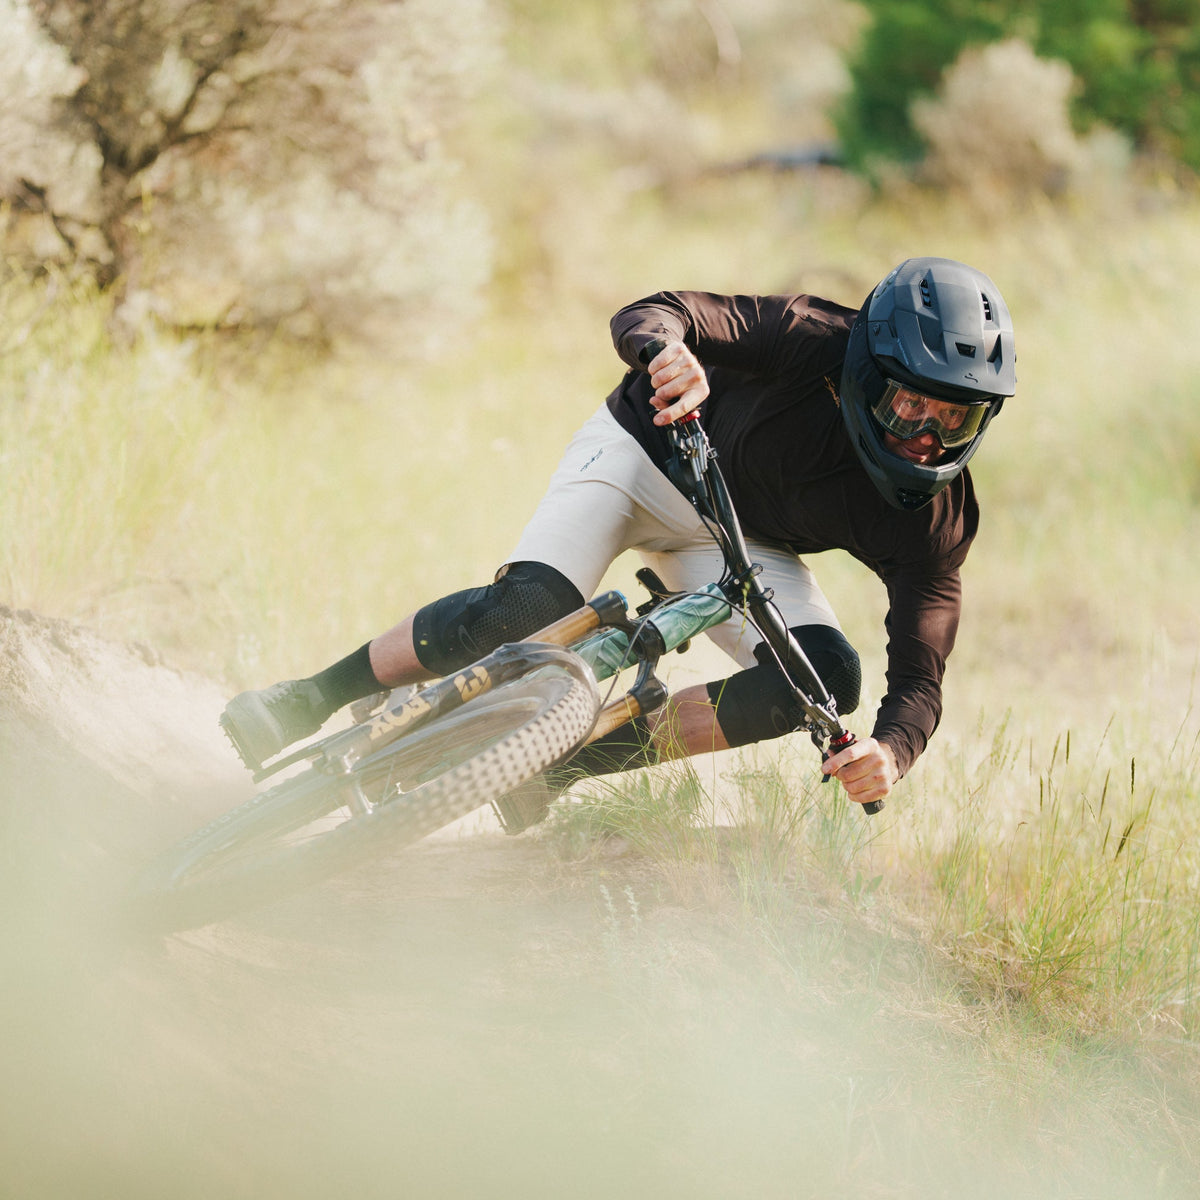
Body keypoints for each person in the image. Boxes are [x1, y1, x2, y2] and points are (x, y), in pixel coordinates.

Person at [220, 256, 1016, 830]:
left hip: (737, 541)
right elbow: (660, 308)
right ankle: (307, 700)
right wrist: (666, 355)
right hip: (645, 454)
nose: (928, 435)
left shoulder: (935, 518)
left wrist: (892, 751)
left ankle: (552, 767)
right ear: (868, 371)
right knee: (527, 610)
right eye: (914, 403)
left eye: (958, 418)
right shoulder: (813, 337)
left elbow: (921, 675)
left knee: (821, 682)